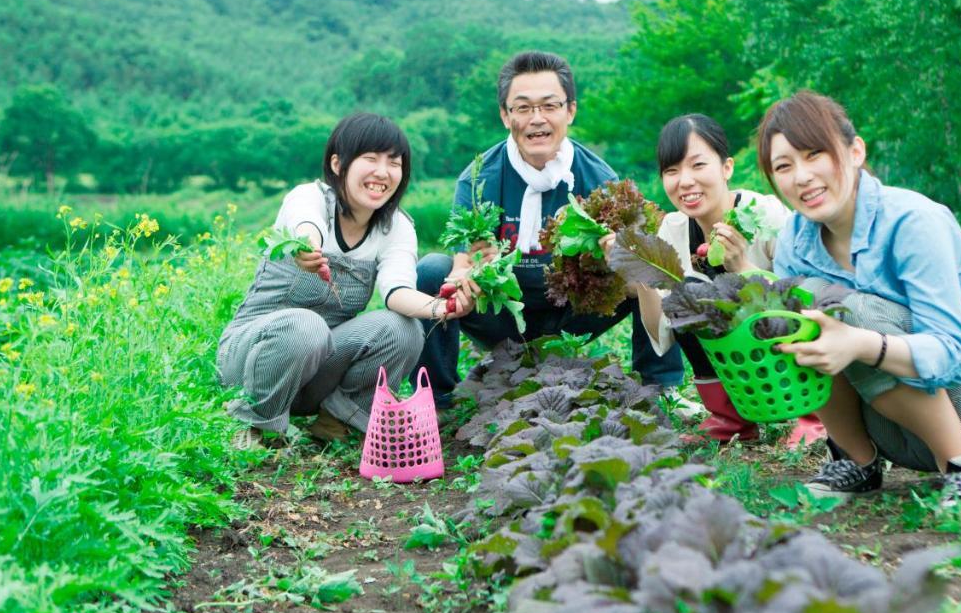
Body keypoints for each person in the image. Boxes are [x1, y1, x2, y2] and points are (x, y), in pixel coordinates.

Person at [756, 91, 961, 506]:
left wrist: (858, 343)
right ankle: (858, 460)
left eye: (815, 154)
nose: (801, 177)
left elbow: (955, 356)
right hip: (893, 426)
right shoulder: (795, 240)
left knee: (846, 308)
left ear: (854, 151)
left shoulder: (912, 221)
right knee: (799, 306)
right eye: (784, 166)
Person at [412, 51, 683, 407]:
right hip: (503, 316)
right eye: (522, 108)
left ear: (570, 110)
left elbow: (634, 273)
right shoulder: (479, 179)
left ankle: (661, 385)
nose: (536, 119)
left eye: (549, 106)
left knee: (650, 262)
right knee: (432, 270)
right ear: (505, 115)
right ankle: (438, 396)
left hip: (573, 316)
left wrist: (622, 259)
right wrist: (469, 272)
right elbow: (462, 257)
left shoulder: (598, 179)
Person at [217, 113, 472, 449]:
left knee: (404, 329)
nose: (383, 172)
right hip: (251, 361)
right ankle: (254, 421)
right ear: (338, 164)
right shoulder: (308, 198)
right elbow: (304, 225)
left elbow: (397, 293)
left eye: (394, 163)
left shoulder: (395, 227)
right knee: (306, 326)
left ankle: (335, 419)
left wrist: (444, 307)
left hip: (317, 368)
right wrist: (307, 247)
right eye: (370, 159)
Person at [632, 114, 826, 446]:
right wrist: (642, 275)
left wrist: (743, 266)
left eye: (697, 165)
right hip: (738, 364)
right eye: (672, 171)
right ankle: (730, 420)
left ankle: (815, 417)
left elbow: (805, 302)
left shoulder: (766, 216)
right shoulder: (673, 230)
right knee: (690, 296)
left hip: (785, 358)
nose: (685, 181)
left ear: (727, 168)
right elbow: (662, 332)